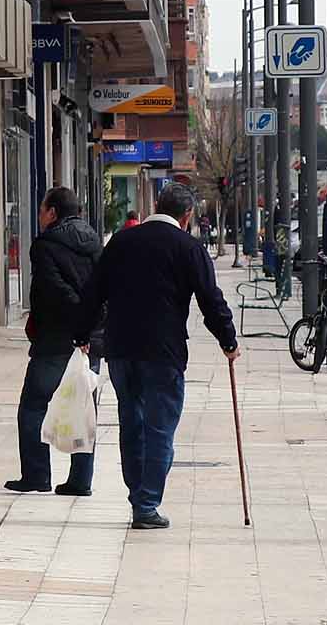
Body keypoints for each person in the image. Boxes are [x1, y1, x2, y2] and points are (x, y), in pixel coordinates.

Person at [74, 182, 238, 530]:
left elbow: (93, 293)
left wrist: (82, 334)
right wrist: (228, 340)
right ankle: (146, 504)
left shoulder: (120, 242)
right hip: (163, 351)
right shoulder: (188, 247)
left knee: (131, 424)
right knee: (160, 428)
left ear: (156, 205)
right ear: (188, 215)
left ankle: (138, 496)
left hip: (120, 349)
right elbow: (211, 298)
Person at [7, 186, 104, 496]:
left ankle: (37, 475)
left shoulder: (45, 245)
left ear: (52, 213)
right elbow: (103, 291)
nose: (39, 216)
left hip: (56, 339)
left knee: (33, 406)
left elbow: (54, 290)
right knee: (84, 405)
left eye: (41, 210)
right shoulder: (95, 243)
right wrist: (89, 328)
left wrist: (78, 324)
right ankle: (80, 480)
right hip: (90, 339)